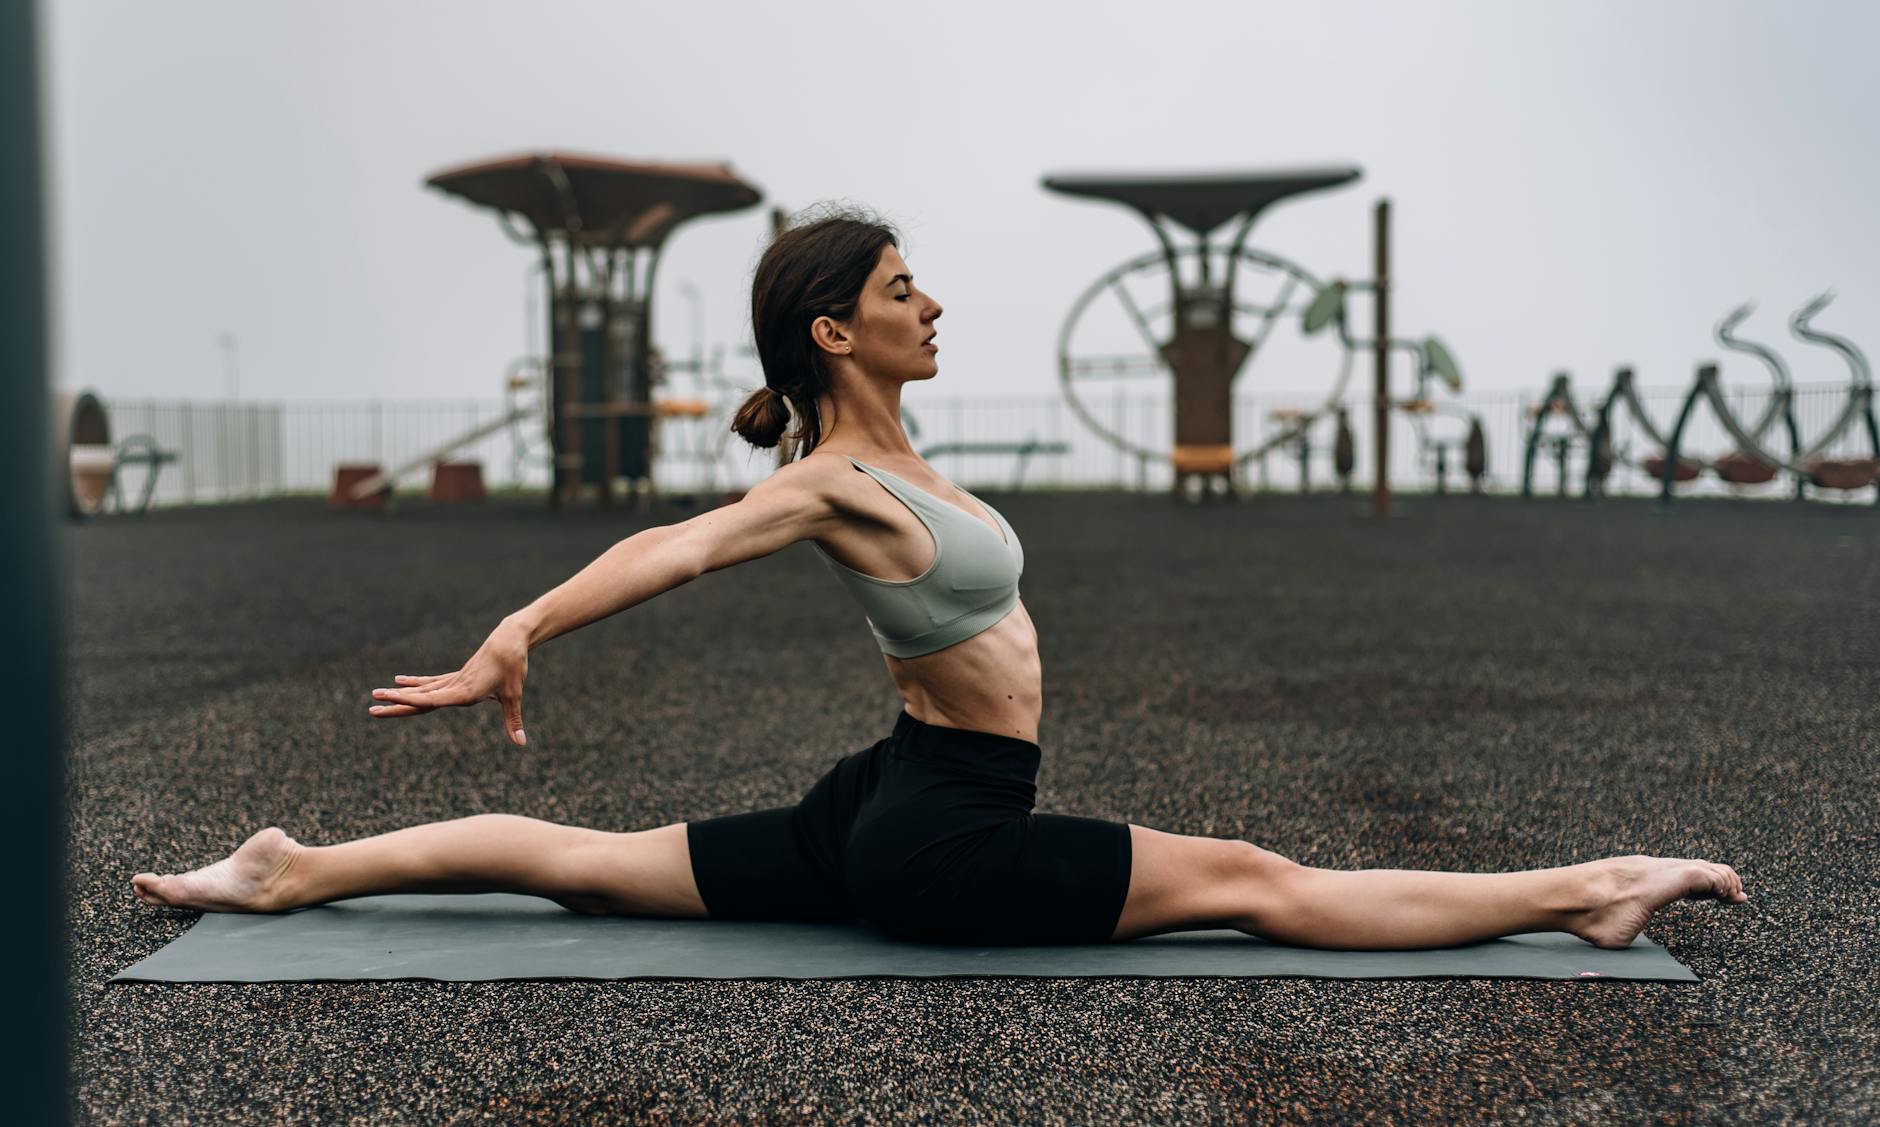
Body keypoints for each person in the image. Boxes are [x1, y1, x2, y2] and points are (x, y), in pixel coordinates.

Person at [133, 206, 1748, 950]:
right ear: (837, 330)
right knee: (1259, 881)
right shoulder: (831, 481)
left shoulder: (893, 464)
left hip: (884, 793)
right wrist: (521, 624)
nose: (936, 303)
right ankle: (1586, 888)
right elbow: (679, 546)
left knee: (590, 864)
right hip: (943, 838)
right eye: (906, 289)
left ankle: (295, 871)